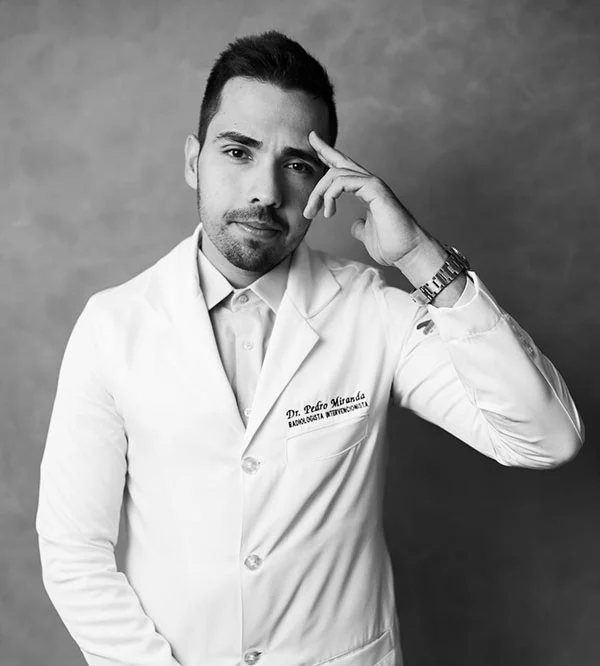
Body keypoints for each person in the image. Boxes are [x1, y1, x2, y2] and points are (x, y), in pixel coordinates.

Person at [36, 30, 583, 666]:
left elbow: (546, 439)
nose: (266, 191)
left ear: (325, 182)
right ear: (193, 161)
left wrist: (418, 257)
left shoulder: (372, 312)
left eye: (297, 164)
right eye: (237, 151)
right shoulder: (112, 326)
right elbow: (73, 552)